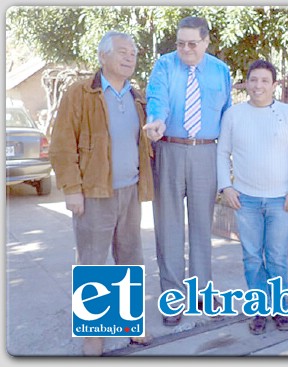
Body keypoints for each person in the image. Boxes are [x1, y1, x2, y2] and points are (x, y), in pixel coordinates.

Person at [49, 30, 154, 356]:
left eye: (133, 53)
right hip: (94, 192)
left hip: (129, 191)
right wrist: (72, 189)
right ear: (103, 56)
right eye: (122, 51)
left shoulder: (138, 97)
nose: (129, 57)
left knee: (130, 259)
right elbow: (62, 144)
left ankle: (127, 322)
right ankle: (93, 333)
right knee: (93, 262)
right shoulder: (81, 93)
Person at [143, 16, 232, 326]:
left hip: (207, 151)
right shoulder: (165, 65)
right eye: (180, 43)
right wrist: (157, 120)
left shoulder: (221, 71)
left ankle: (202, 292)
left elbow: (228, 115)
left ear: (206, 42)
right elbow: (158, 98)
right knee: (168, 228)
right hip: (168, 147)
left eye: (192, 44)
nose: (185, 49)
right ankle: (172, 297)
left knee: (201, 228)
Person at [217, 60, 288, 334]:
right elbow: (222, 152)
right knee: (252, 257)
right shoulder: (234, 115)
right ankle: (259, 309)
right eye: (253, 79)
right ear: (246, 83)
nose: (258, 85)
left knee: (277, 256)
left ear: (273, 85)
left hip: (281, 200)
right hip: (245, 199)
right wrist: (226, 186)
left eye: (264, 80)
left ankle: (281, 309)